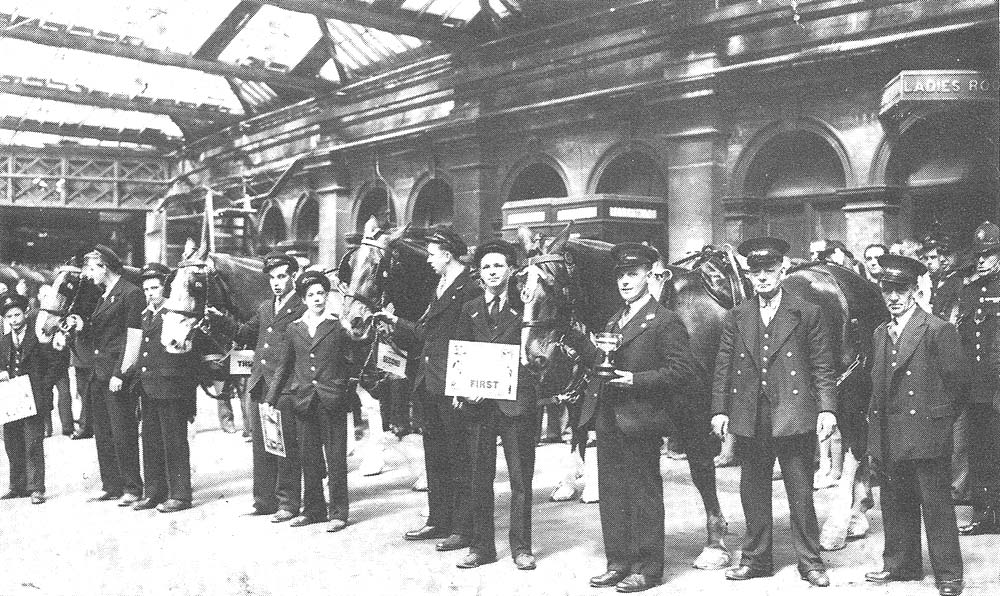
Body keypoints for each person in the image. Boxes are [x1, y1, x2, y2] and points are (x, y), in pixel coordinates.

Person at [711, 237, 837, 587]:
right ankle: (755, 559)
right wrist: (720, 410)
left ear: (783, 270)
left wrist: (827, 408)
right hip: (750, 414)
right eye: (756, 272)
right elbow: (723, 366)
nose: (763, 277)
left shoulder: (806, 312)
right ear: (749, 275)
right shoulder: (738, 316)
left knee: (800, 491)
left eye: (769, 270)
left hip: (793, 412)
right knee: (752, 490)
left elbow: (822, 367)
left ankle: (811, 563)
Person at [578, 242, 701, 593]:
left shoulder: (665, 320)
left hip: (640, 416)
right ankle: (617, 562)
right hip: (608, 416)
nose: (625, 282)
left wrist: (635, 380)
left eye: (632, 275)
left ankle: (648, 569)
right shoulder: (614, 320)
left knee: (644, 492)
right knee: (612, 493)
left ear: (649, 276)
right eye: (620, 276)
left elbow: (682, 371)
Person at [864, 254, 964, 596]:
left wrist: (937, 421)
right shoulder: (881, 333)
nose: (893, 297)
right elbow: (878, 386)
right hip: (891, 435)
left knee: (936, 507)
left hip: (926, 434)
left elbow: (958, 386)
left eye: (900, 289)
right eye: (887, 289)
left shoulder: (937, 329)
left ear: (915, 290)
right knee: (895, 503)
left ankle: (949, 575)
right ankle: (901, 565)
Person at [378, 228, 480, 550]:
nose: (430, 261)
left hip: (453, 385)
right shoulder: (442, 285)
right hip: (430, 383)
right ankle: (439, 520)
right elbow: (427, 334)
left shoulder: (469, 288)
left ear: (447, 255)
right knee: (435, 455)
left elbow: (471, 340)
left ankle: (463, 528)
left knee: (460, 457)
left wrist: (463, 385)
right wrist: (394, 323)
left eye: (433, 255)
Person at [452, 240, 537, 571]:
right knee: (479, 478)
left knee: (520, 479)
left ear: (511, 270)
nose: (492, 272)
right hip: (478, 407)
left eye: (498, 265)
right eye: (486, 266)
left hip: (515, 403)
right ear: (479, 273)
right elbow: (460, 352)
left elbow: (533, 351)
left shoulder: (525, 306)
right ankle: (481, 546)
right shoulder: (469, 308)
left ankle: (521, 548)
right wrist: (464, 388)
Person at [266, 271, 356, 532]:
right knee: (309, 459)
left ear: (327, 296)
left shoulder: (338, 326)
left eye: (321, 294)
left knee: (336, 459)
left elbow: (351, 361)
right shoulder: (294, 328)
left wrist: (344, 387)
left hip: (332, 399)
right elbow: (285, 365)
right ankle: (313, 510)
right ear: (304, 300)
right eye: (312, 295)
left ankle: (339, 512)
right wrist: (272, 397)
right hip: (304, 400)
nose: (317, 299)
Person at [65, 245, 144, 505]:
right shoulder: (104, 294)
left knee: (123, 431)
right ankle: (111, 485)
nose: (88, 274)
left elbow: (132, 337)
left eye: (91, 269)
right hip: (98, 374)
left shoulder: (130, 294)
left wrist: (121, 372)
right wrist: (82, 325)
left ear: (105, 267)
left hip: (115, 373)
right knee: (102, 431)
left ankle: (132, 487)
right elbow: (103, 333)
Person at [235, 252, 305, 521]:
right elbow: (246, 332)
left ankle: (288, 503)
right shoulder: (266, 307)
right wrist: (217, 320)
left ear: (293, 277)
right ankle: (264, 500)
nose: (276, 283)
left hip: (285, 385)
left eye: (282, 276)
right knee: (261, 444)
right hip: (260, 383)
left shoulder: (301, 307)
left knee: (284, 444)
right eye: (272, 278)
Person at [127, 263, 197, 513]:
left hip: (171, 387)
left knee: (174, 441)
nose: (150, 293)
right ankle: (153, 492)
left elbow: (187, 353)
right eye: (146, 289)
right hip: (148, 388)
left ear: (164, 288)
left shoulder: (174, 313)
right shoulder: (146, 314)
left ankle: (179, 494)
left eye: (154, 287)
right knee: (151, 440)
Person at [955, 221, 1000, 536]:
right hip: (977, 386)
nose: (983, 260)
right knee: (980, 451)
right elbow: (961, 338)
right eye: (980, 255)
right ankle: (986, 515)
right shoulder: (967, 290)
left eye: (990, 254)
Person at [0, 292, 57, 504]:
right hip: (10, 398)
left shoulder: (38, 338)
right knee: (12, 442)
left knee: (33, 441)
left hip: (34, 396)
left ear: (25, 313)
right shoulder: (3, 341)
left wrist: (43, 386)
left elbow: (54, 364)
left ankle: (36, 488)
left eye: (17, 315)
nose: (14, 320)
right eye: (9, 317)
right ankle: (17, 485)